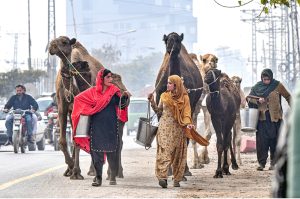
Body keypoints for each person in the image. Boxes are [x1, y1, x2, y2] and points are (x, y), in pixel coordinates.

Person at [71, 69, 130, 187]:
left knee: (112, 152)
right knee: (96, 153)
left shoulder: (114, 91)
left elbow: (121, 105)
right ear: (101, 79)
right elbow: (78, 99)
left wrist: (125, 98)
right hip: (96, 128)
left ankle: (112, 176)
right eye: (108, 77)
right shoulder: (92, 92)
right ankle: (98, 178)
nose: (111, 79)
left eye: (111, 77)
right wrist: (86, 111)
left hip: (111, 127)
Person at [148, 75, 194, 188]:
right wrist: (152, 101)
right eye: (167, 83)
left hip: (179, 129)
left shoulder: (185, 98)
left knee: (178, 155)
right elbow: (159, 111)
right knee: (164, 152)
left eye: (169, 83)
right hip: (164, 128)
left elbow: (187, 113)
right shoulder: (164, 96)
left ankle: (177, 179)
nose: (167, 85)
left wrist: (188, 124)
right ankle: (162, 177)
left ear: (176, 85)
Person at [248, 68, 291, 171]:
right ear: (261, 78)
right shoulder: (257, 87)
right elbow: (249, 98)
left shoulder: (277, 85)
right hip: (262, 120)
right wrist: (258, 100)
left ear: (271, 78)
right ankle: (261, 164)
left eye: (267, 79)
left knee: (275, 142)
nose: (266, 81)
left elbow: (288, 96)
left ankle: (273, 163)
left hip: (275, 119)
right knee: (262, 143)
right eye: (264, 79)